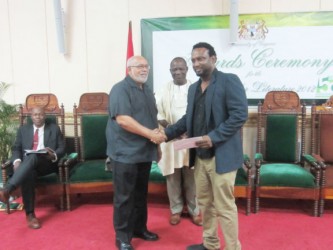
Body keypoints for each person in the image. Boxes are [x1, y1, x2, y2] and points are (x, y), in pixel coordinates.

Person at [164, 42, 248, 250]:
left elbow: (239, 115)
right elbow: (188, 119)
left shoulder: (229, 81)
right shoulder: (193, 88)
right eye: (193, 60)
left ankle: (232, 248)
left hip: (223, 156)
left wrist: (214, 137)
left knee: (225, 206)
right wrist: (166, 134)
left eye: (201, 58)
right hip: (200, 157)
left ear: (213, 59)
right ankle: (210, 243)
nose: (196, 63)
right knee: (205, 204)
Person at [106, 55, 166, 250]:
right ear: (129, 69)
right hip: (125, 153)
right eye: (139, 66)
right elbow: (123, 119)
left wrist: (156, 146)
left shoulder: (147, 90)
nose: (144, 70)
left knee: (141, 194)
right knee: (124, 196)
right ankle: (122, 236)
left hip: (144, 152)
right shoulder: (119, 89)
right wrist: (150, 134)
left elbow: (151, 119)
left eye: (146, 66)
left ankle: (140, 228)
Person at [0, 106, 65, 229]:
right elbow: (16, 148)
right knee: (28, 171)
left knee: (33, 156)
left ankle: (8, 189)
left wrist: (53, 155)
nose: (38, 117)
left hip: (46, 164)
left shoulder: (54, 129)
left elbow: (62, 148)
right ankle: (30, 215)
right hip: (27, 166)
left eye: (40, 114)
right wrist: (17, 161)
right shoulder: (23, 130)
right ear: (31, 117)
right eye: (35, 114)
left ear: (44, 116)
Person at [156, 57, 201, 226]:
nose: (178, 72)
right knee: (172, 176)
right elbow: (158, 114)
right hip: (171, 138)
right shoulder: (162, 90)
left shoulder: (196, 88)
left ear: (187, 69)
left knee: (192, 176)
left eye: (181, 69)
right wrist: (173, 131)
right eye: (174, 69)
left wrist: (188, 132)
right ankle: (175, 210)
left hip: (190, 138)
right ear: (170, 71)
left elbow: (200, 113)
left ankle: (194, 210)